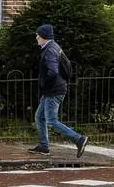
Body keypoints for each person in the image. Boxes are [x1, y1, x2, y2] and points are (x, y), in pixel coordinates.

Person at [30, 22, 87, 160]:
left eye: (38, 35)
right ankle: (43, 146)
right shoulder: (53, 47)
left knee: (51, 121)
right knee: (39, 117)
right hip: (51, 91)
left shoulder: (50, 50)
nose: (36, 38)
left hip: (54, 91)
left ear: (44, 36)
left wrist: (44, 83)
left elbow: (53, 72)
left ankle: (79, 139)